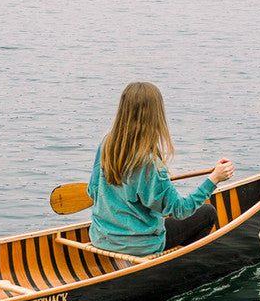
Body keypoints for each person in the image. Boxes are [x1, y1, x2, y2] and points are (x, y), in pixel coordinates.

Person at [88, 82, 235, 257]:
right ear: (155, 115)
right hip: (139, 246)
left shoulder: (106, 144)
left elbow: (92, 192)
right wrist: (214, 179)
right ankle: (182, 263)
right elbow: (180, 210)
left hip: (101, 238)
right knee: (207, 213)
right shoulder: (148, 162)